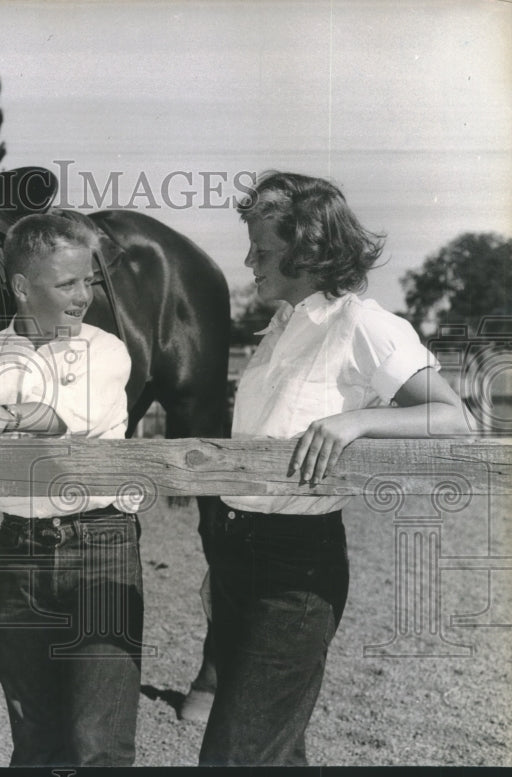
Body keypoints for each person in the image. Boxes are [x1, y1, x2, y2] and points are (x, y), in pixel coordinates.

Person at [199, 171, 471, 766]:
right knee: (274, 749)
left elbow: (453, 417)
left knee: (236, 756)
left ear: (309, 251)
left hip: (297, 565)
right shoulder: (279, 329)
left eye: (262, 250)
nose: (248, 260)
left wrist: (355, 423)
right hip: (238, 550)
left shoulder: (362, 325)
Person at [0, 213, 144, 766]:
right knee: (33, 737)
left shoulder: (107, 350)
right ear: (21, 288)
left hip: (100, 546)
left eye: (87, 280)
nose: (84, 296)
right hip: (19, 551)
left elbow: (67, 419)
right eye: (67, 284)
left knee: (98, 743)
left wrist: (11, 413)